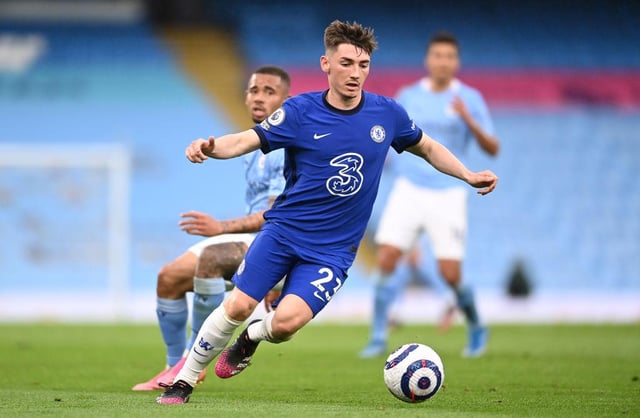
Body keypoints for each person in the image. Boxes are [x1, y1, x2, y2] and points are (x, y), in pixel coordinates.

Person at [156, 20, 498, 405]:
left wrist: (467, 174)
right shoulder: (299, 112)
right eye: (347, 63)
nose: (356, 73)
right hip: (284, 232)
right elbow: (246, 140)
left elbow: (430, 148)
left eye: (363, 65)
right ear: (326, 64)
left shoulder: (388, 115)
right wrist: (209, 146)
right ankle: (182, 382)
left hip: (333, 251)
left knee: (285, 325)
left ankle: (251, 338)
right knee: (237, 304)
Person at [132, 65, 291, 391]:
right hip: (249, 239)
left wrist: (220, 227)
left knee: (213, 259)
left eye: (269, 91)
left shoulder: (287, 148)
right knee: (169, 278)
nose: (259, 97)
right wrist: (204, 148)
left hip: (279, 241)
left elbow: (276, 214)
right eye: (253, 90)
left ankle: (192, 361)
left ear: (286, 101)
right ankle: (172, 365)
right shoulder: (252, 147)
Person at [359, 31, 500, 359]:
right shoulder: (409, 95)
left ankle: (477, 324)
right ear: (428, 60)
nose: (443, 62)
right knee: (386, 259)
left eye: (449, 56)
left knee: (450, 274)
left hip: (448, 193)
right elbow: (393, 139)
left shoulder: (469, 99)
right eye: (437, 55)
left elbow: (492, 148)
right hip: (408, 188)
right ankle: (378, 334)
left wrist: (468, 119)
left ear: (457, 62)